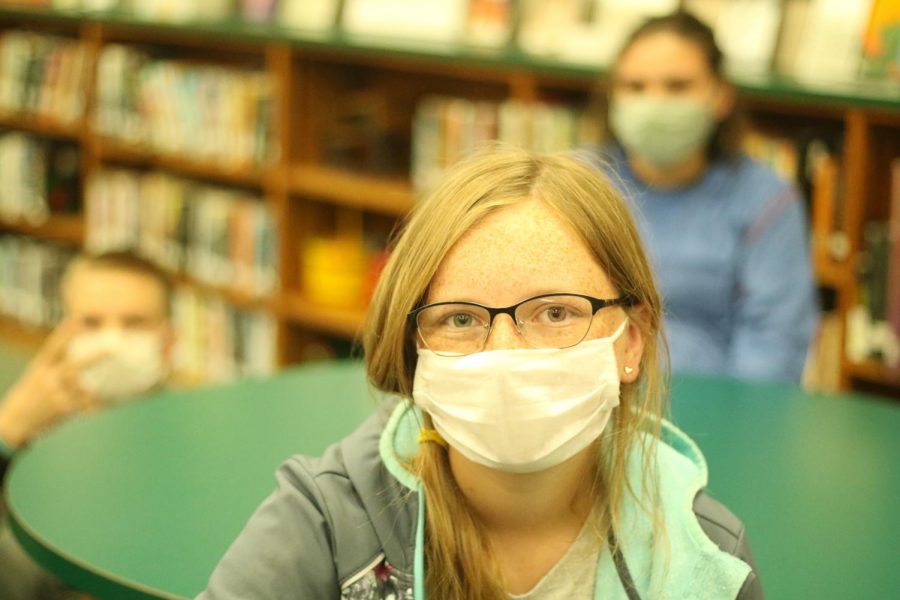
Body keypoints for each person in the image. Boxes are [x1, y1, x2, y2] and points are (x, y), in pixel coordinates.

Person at [199, 147, 762, 599]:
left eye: (556, 313)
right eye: (461, 318)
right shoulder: (328, 523)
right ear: (412, 348)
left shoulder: (705, 560)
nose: (504, 354)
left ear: (630, 341)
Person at [588, 10, 818, 382]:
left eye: (677, 86)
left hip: (712, 415)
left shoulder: (767, 201)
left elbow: (774, 351)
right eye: (635, 87)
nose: (654, 103)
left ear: (721, 96)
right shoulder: (576, 184)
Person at [0, 250, 174, 600]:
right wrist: (8, 428)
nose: (112, 341)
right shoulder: (24, 424)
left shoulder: (192, 433)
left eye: (135, 323)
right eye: (91, 323)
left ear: (170, 339)